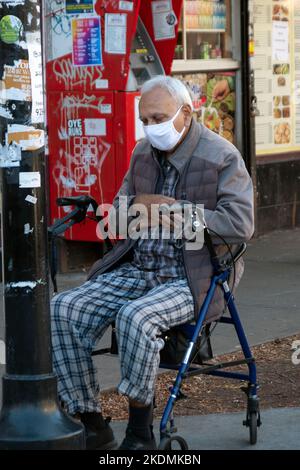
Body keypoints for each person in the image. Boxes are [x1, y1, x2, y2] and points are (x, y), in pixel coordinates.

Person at [51, 75, 254, 450]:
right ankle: (91, 419)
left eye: (158, 118)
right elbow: (120, 214)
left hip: (194, 274)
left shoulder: (221, 156)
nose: (150, 128)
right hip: (140, 266)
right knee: (63, 308)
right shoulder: (143, 152)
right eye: (144, 119)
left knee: (135, 317)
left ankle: (140, 428)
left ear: (186, 113)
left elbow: (240, 225)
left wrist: (175, 211)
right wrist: (129, 211)